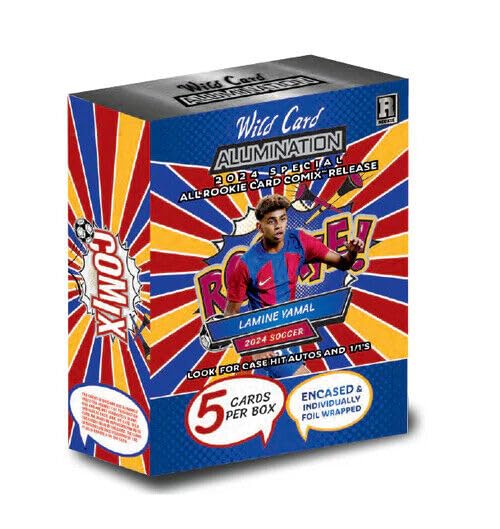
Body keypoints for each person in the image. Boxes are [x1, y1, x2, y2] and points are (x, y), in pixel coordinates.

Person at [225, 194, 364, 378]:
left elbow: (343, 263)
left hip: (291, 335)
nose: (278, 226)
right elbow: (230, 315)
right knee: (307, 383)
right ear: (260, 227)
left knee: (290, 391)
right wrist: (254, 347)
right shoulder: (246, 263)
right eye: (271, 221)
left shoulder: (299, 241)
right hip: (266, 341)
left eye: (282, 219)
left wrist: (352, 253)